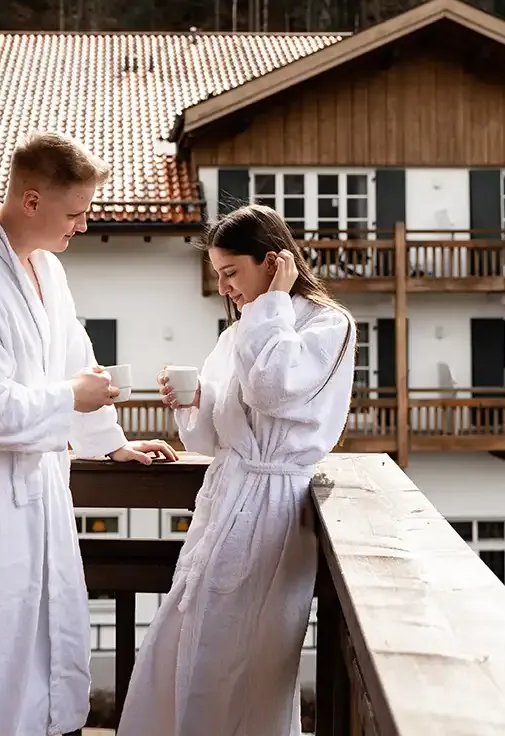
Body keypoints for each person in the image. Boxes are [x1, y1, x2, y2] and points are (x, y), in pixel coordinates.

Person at [0, 131, 177, 736]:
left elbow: (76, 358)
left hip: (37, 493)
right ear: (32, 201)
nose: (82, 226)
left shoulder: (47, 272)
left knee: (38, 654)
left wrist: (108, 439)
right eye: (75, 213)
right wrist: (69, 399)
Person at [116, 203, 356, 736]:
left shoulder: (329, 325)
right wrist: (190, 403)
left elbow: (275, 390)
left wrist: (270, 303)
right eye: (218, 275)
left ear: (272, 262)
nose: (225, 287)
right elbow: (207, 439)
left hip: (275, 510)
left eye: (231, 273)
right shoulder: (237, 334)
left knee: (250, 662)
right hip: (226, 498)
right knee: (191, 646)